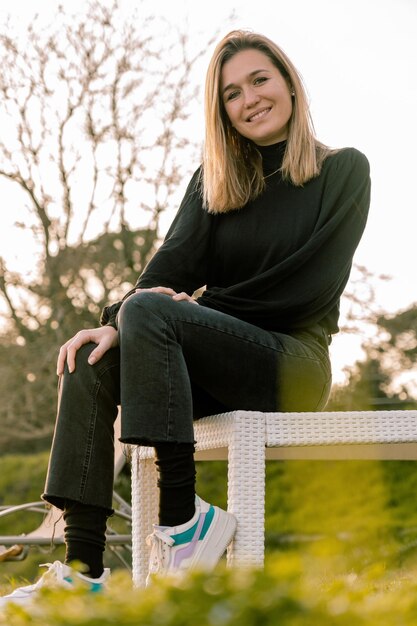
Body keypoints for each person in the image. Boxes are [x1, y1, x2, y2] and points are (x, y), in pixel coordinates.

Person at [1, 28, 370, 606]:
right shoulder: (217, 182)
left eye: (259, 80)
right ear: (221, 110)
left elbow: (307, 286)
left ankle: (183, 522)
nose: (248, 99)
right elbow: (166, 268)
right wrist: (114, 322)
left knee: (148, 312)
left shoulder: (344, 170)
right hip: (213, 366)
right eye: (230, 93)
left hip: (294, 365)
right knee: (90, 358)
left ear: (290, 85)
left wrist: (193, 310)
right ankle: (81, 570)